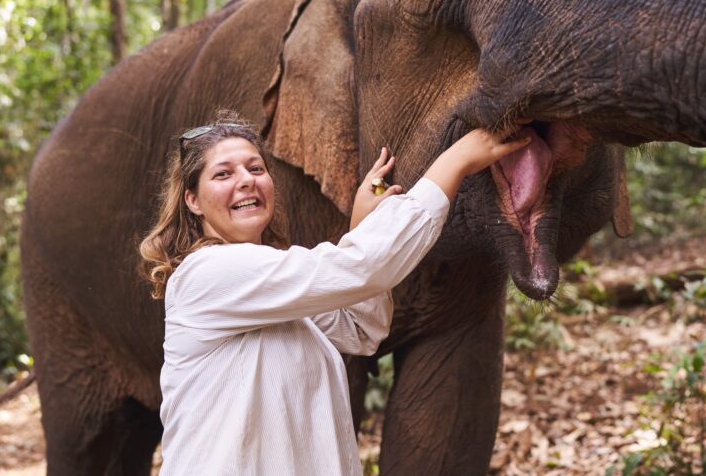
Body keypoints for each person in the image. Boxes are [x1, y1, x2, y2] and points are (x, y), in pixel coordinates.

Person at [139, 111, 530, 475]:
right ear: (193, 201)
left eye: (255, 168)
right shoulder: (207, 274)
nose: (246, 179)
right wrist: (456, 161)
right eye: (223, 174)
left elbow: (361, 329)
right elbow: (361, 269)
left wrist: (361, 226)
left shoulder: (272, 290)